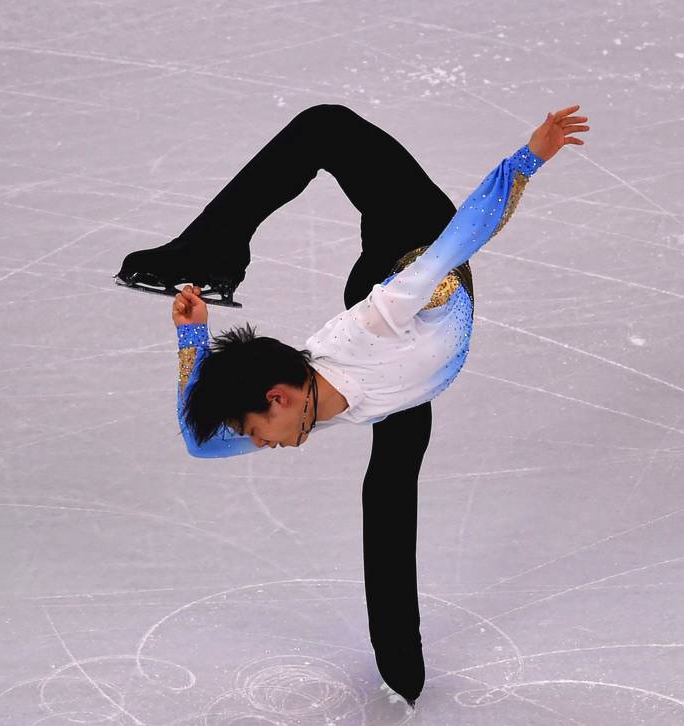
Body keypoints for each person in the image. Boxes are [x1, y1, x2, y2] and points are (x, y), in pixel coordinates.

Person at [116, 103, 588, 708]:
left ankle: (210, 252)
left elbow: (465, 236)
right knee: (388, 489)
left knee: (326, 126)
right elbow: (199, 441)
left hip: (415, 247)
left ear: (277, 397)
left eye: (254, 429)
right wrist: (191, 338)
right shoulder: (304, 407)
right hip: (396, 366)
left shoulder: (384, 316)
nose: (256, 444)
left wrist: (531, 157)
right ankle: (402, 669)